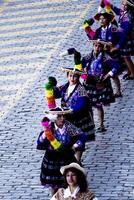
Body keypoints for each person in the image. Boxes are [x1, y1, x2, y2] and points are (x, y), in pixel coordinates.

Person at [36, 107, 87, 196]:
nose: (62, 119)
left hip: (66, 158)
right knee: (54, 186)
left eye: (63, 116)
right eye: (59, 117)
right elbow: (40, 142)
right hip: (52, 160)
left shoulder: (68, 126)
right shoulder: (49, 129)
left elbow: (82, 136)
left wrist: (75, 146)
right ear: (54, 118)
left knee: (69, 183)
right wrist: (45, 132)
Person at [52, 48, 95, 144]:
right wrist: (51, 88)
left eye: (75, 76)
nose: (72, 78)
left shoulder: (81, 89)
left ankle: (78, 158)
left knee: (79, 138)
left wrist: (71, 110)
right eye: (70, 76)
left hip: (77, 117)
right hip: (67, 117)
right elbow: (56, 94)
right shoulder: (64, 87)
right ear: (67, 77)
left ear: (78, 77)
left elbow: (82, 104)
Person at [83, 9, 123, 97]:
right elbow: (93, 38)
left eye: (103, 18)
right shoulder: (98, 30)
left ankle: (118, 90)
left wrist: (116, 47)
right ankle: (102, 91)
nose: (101, 20)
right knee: (104, 72)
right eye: (100, 19)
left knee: (114, 74)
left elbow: (122, 37)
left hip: (112, 53)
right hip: (103, 54)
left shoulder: (113, 28)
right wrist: (87, 28)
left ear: (107, 19)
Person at [81, 40, 116, 132]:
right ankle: (90, 124)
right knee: (88, 105)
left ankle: (101, 125)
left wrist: (108, 75)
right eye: (95, 46)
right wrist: (84, 77)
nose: (97, 48)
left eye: (99, 46)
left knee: (98, 104)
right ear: (93, 46)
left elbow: (116, 66)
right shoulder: (87, 57)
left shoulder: (105, 57)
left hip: (101, 83)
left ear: (102, 47)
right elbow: (80, 68)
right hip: (89, 84)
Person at [100, 0, 134, 80]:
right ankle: (129, 71)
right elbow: (117, 10)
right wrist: (107, 3)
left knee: (126, 57)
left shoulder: (128, 17)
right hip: (123, 38)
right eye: (122, 4)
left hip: (125, 40)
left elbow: (124, 34)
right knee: (124, 56)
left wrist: (117, 46)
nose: (123, 6)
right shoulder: (123, 12)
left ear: (129, 7)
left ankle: (132, 74)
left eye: (126, 5)